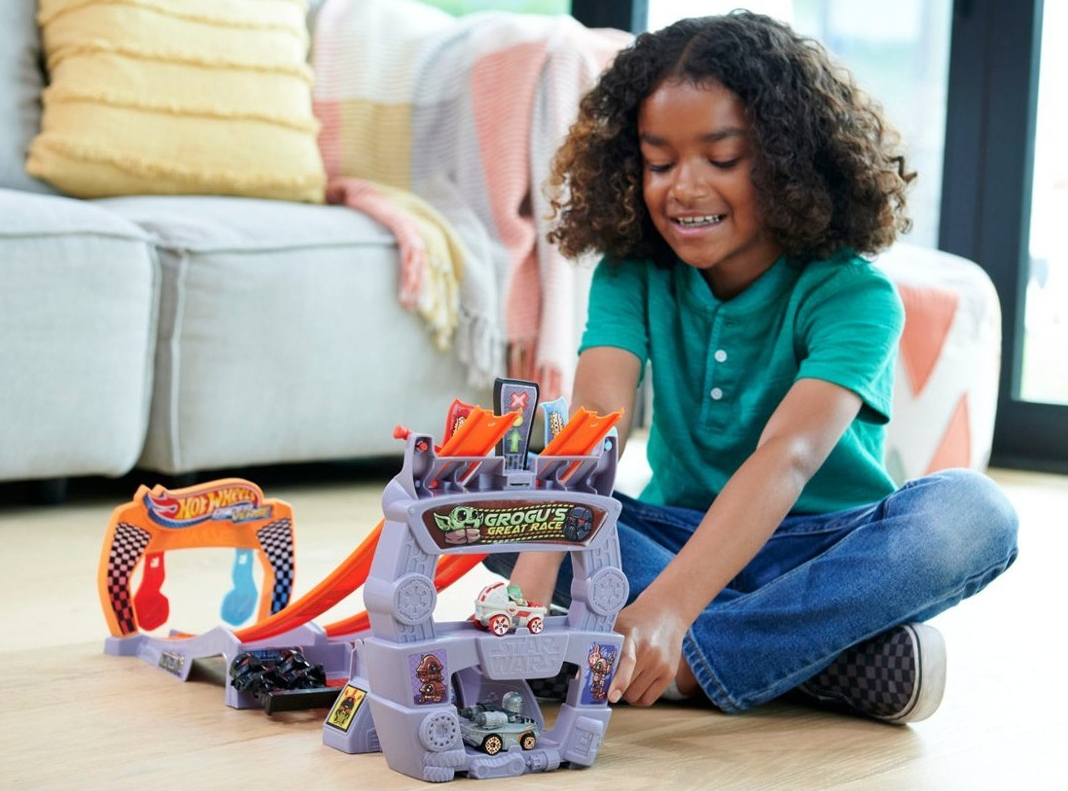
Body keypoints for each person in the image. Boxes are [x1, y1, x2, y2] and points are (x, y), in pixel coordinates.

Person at [484, 11, 1019, 724]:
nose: (683, 187)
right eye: (659, 163)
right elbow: (592, 428)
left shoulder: (855, 296)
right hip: (675, 535)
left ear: (790, 160)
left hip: (822, 551)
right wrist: (529, 583)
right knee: (499, 498)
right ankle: (831, 660)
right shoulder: (631, 273)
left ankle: (682, 660)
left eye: (723, 159)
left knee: (976, 513)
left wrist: (671, 608)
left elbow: (787, 457)